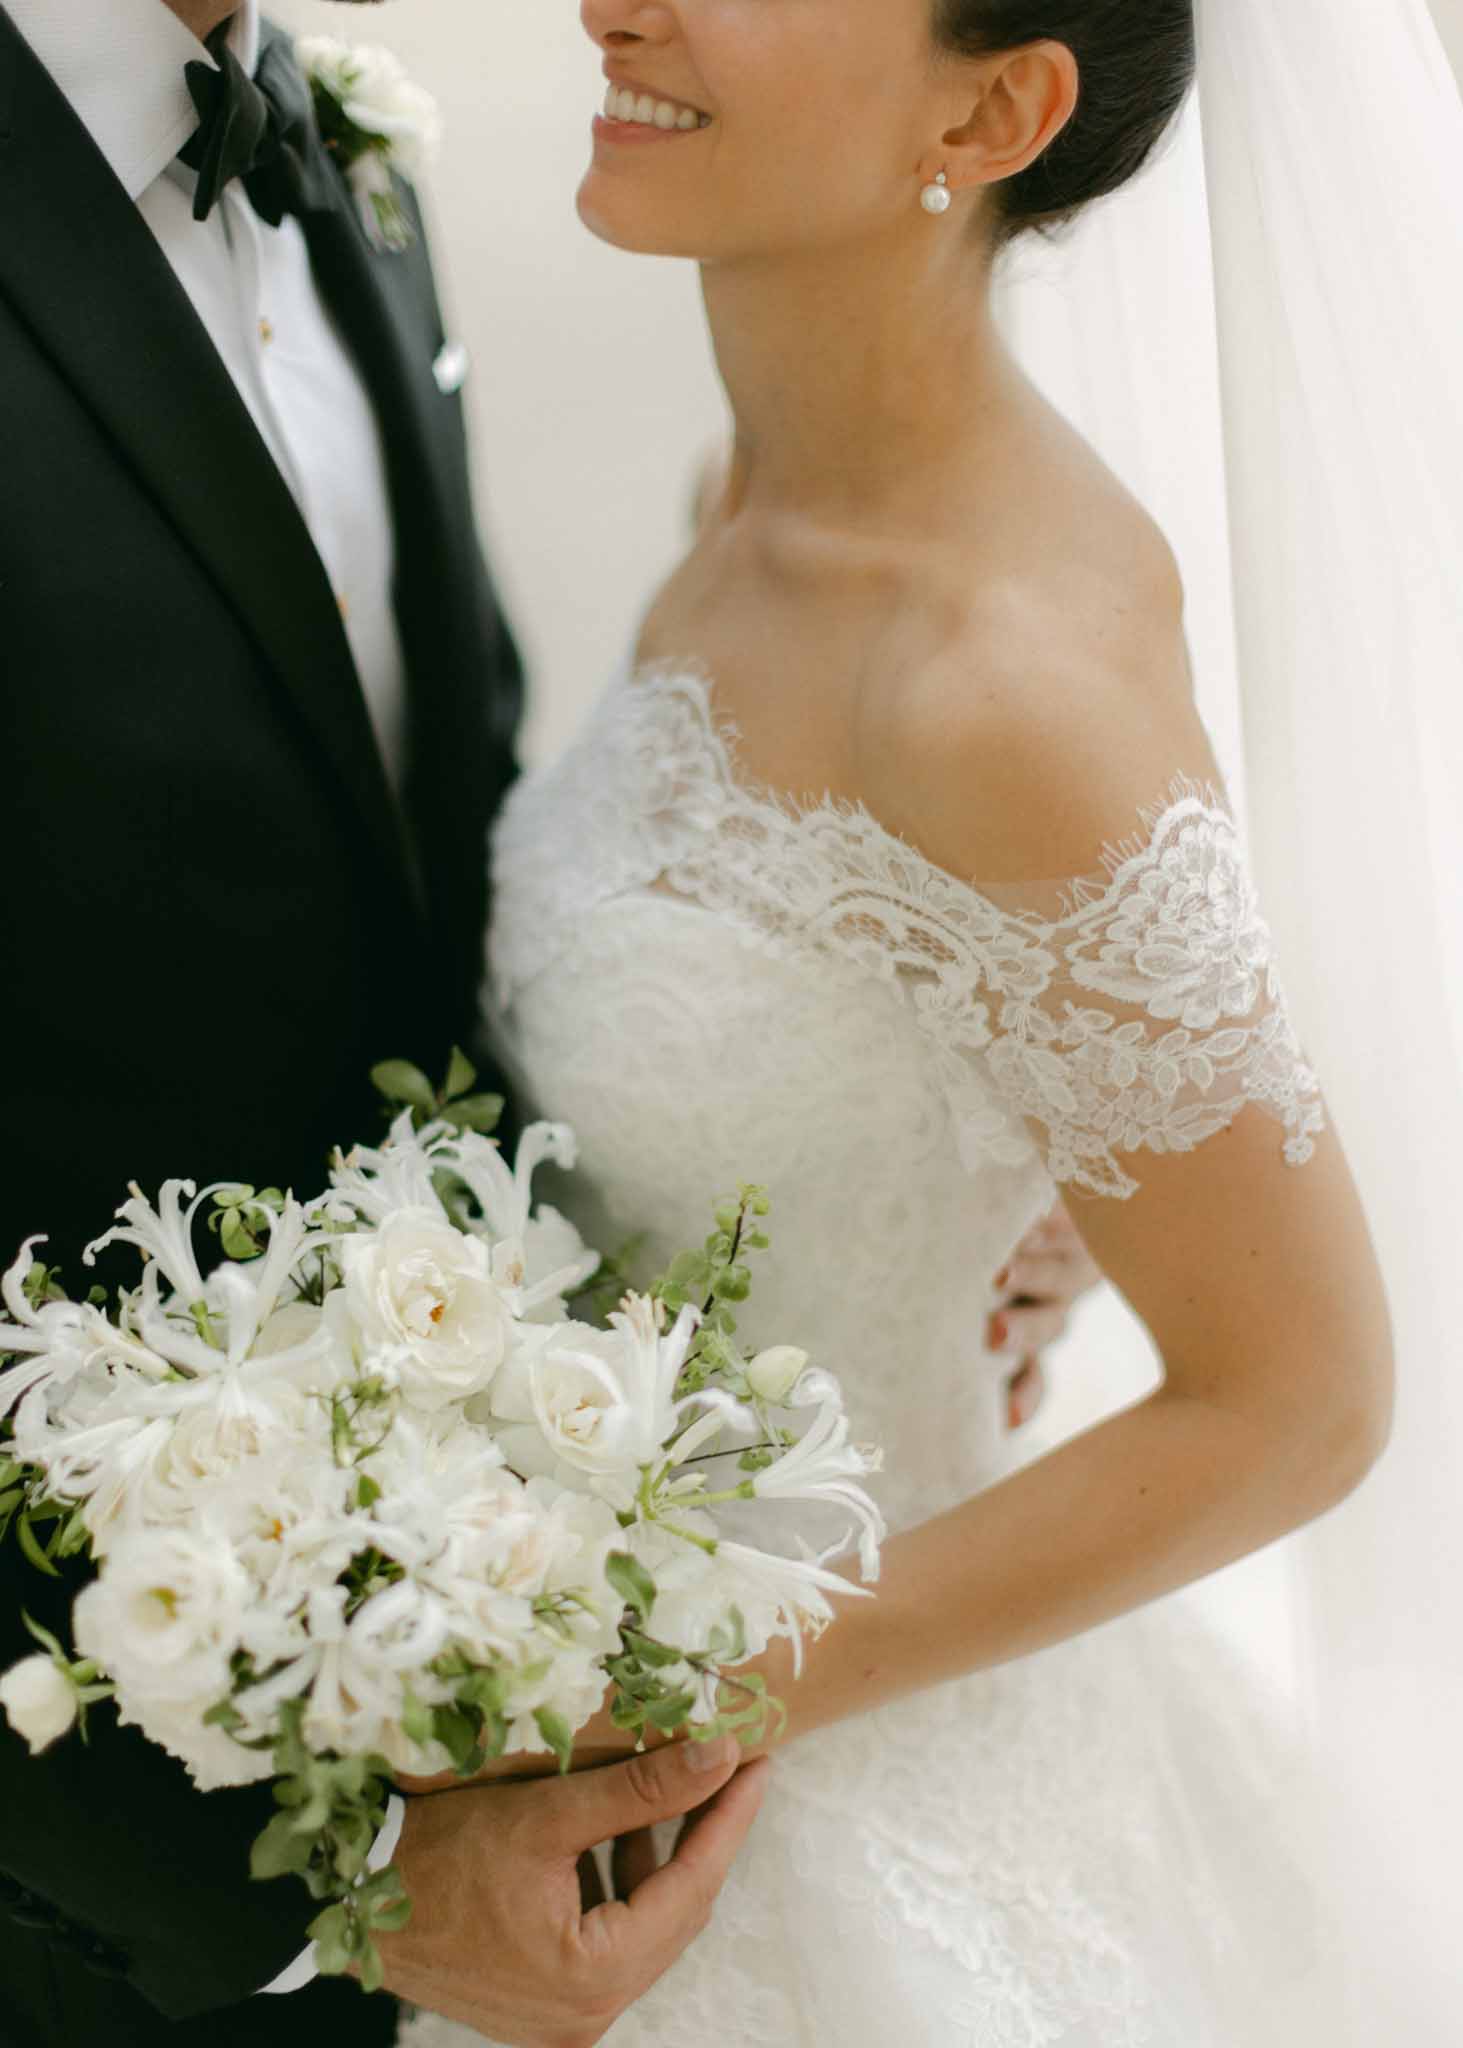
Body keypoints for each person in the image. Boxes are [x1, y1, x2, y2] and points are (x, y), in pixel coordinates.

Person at [0, 2, 1088, 2042]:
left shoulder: (344, 176)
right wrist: (308, 1898)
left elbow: (430, 890)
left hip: (555, 1762)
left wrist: (964, 1116)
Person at [438, 0, 1399, 2041]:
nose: (620, 1)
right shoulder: (745, 492)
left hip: (821, 1792)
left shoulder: (1001, 681)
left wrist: (674, 1698)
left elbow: (1305, 1397)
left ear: (998, 107)